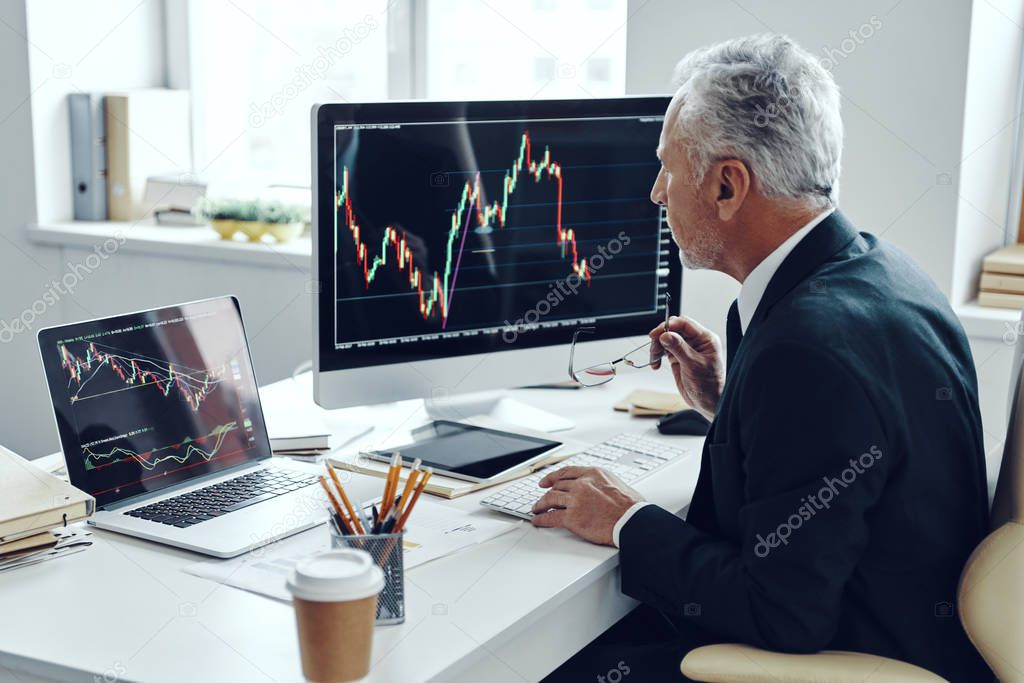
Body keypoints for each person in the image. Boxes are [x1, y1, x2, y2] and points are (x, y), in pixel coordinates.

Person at [536, 34, 991, 682]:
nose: (656, 194)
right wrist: (731, 400)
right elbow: (846, 458)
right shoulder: (878, 269)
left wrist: (626, 520)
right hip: (901, 630)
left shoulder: (805, 350)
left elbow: (781, 612)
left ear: (727, 184)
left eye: (667, 167)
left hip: (848, 655)